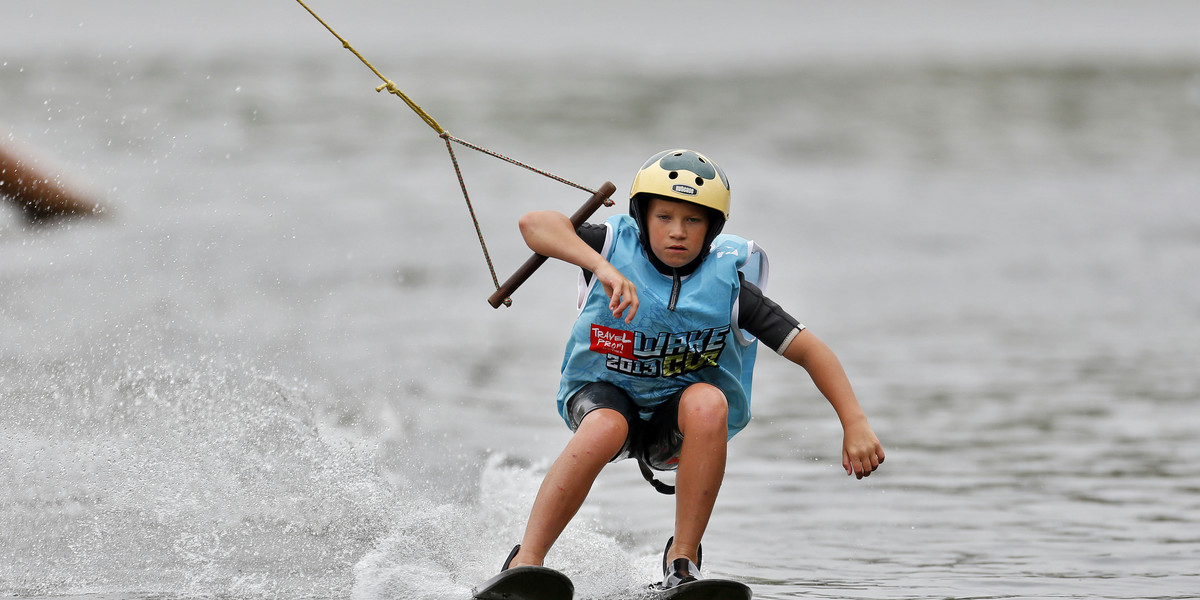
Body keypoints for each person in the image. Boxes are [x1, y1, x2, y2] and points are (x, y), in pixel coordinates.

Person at [502, 149, 884, 589]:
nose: (677, 233)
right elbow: (533, 223)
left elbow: (812, 351)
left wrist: (853, 422)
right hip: (602, 398)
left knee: (708, 402)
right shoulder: (609, 247)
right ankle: (525, 562)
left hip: (676, 423)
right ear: (642, 216)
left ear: (713, 227)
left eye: (693, 221)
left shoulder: (731, 287)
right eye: (664, 217)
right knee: (606, 427)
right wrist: (600, 268)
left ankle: (682, 563)